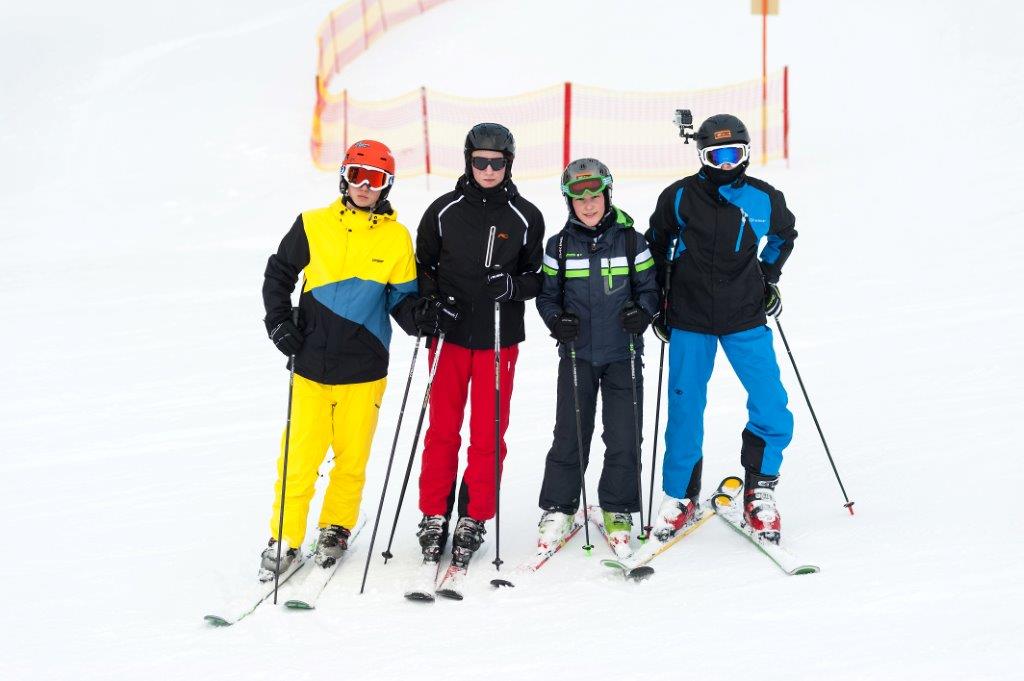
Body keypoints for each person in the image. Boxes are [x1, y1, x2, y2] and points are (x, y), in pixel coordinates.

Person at [258, 140, 418, 576]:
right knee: (298, 456)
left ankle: (335, 528)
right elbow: (279, 275)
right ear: (344, 177)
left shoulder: (397, 237)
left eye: (376, 179)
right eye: (356, 176)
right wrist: (278, 322)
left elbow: (403, 299)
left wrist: (419, 315)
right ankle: (285, 538)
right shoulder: (312, 224)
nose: (365, 187)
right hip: (310, 361)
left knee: (351, 458)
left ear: (387, 186)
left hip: (364, 367)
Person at [645, 114, 797, 545]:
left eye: (735, 155)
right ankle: (680, 496)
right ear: (702, 156)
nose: (726, 164)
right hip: (690, 318)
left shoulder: (765, 198)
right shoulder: (678, 197)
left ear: (746, 154)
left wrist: (767, 277)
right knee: (685, 408)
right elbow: (655, 246)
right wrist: (659, 302)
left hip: (745, 316)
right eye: (717, 155)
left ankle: (760, 488)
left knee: (770, 401)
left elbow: (784, 237)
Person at [412, 123, 545, 569]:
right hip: (449, 337)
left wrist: (511, 286)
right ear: (468, 160)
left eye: (497, 162)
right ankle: (434, 513)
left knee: (489, 432)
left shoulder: (526, 215)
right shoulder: (443, 210)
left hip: (496, 338)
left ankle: (474, 516)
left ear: (509, 164)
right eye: (480, 161)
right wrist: (432, 303)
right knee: (442, 429)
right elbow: (423, 263)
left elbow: (535, 278)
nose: (488, 170)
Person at [535, 158, 659, 558]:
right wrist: (557, 320)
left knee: (624, 433)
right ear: (568, 201)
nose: (588, 205)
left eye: (594, 195)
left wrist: (642, 313)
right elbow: (547, 296)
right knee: (570, 432)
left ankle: (618, 507)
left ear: (607, 194)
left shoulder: (631, 241)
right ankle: (559, 507)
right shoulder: (557, 246)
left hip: (623, 353)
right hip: (577, 355)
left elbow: (650, 290)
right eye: (578, 197)